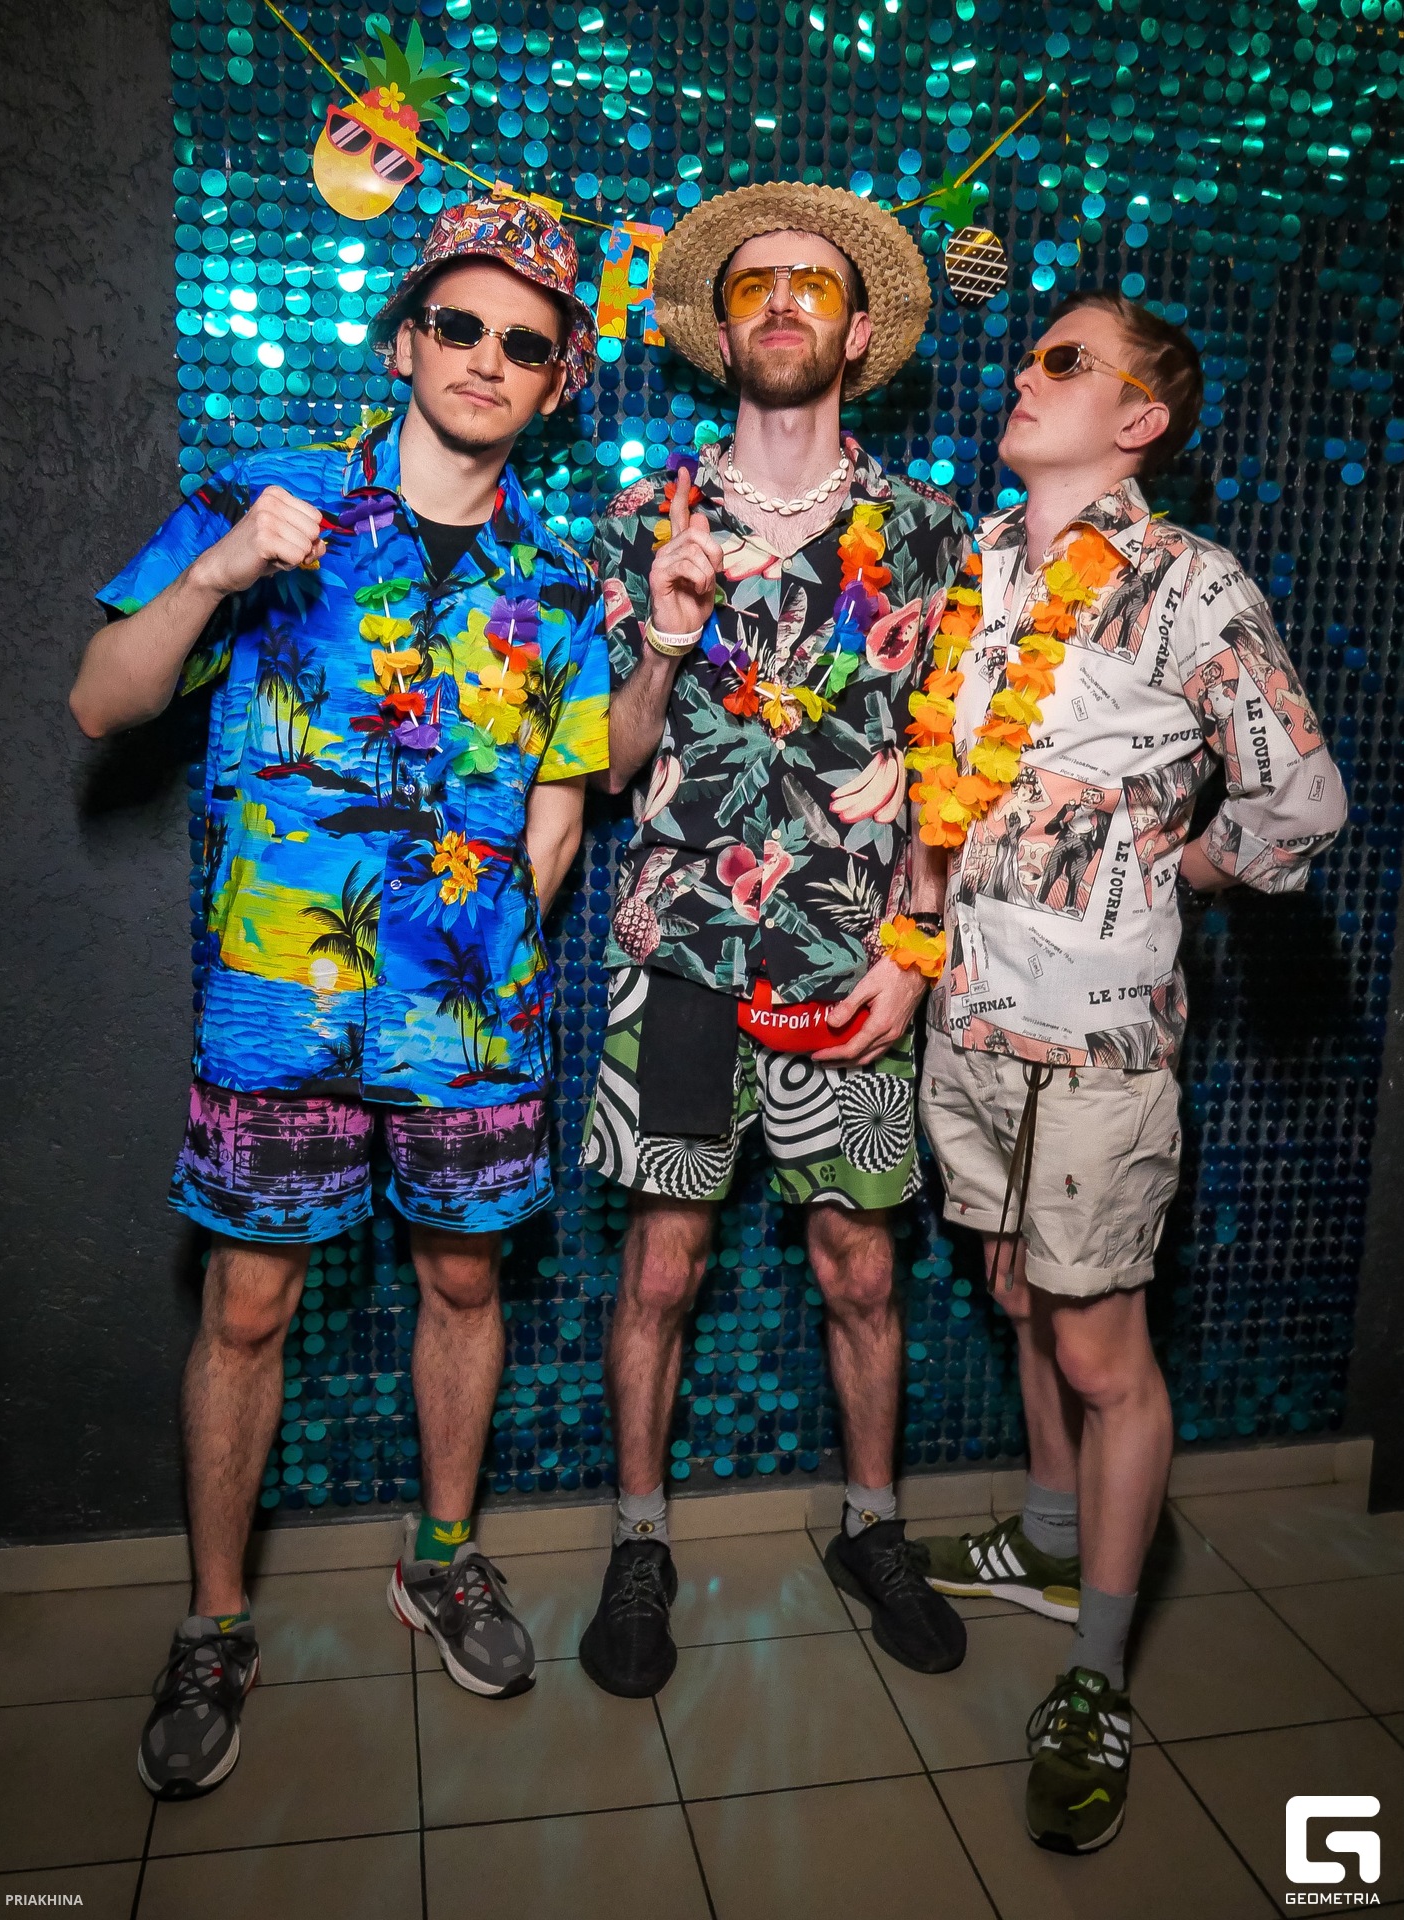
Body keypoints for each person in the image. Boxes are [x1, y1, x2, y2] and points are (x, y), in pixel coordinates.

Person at [69, 198, 610, 1798]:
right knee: (248, 1305)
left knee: (464, 1287)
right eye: (460, 325)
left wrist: (484, 950)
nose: (487, 358)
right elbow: (103, 701)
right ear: (403, 343)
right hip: (277, 1014)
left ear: (560, 381)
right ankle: (215, 1622)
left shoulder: (562, 581)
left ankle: (440, 1561)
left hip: (470, 1019)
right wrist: (222, 570)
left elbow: (559, 811)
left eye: (525, 343)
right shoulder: (267, 500)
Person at [912, 290, 1346, 1852]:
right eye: (1027, 355)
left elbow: (1300, 800)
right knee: (1017, 1293)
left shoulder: (1186, 581)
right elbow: (949, 782)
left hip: (1096, 1039)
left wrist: (1179, 872)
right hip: (966, 1022)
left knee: (1105, 1357)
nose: (1024, 376)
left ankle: (1095, 1676)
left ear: (1139, 421)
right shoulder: (982, 566)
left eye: (1065, 362)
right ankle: (1044, 1536)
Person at [577, 182, 969, 1697]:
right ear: (720, 326)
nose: (786, 302)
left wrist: (915, 945)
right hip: (679, 949)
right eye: (756, 286)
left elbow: (950, 766)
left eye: (814, 284)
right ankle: (637, 1546)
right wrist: (669, 634)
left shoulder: (930, 533)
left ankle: (872, 1528)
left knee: (860, 1269)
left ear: (858, 333)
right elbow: (609, 763)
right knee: (661, 1268)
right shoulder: (644, 522)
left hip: (848, 959)